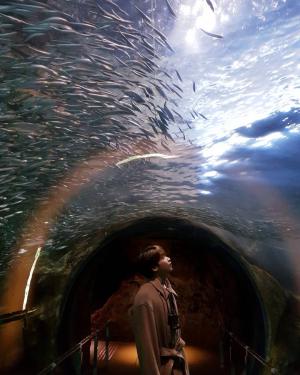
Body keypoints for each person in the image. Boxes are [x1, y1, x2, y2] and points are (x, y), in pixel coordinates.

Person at [129, 244, 189, 375]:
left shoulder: (168, 289)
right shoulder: (145, 297)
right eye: (163, 257)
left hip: (176, 365)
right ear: (154, 267)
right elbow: (147, 350)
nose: (169, 258)